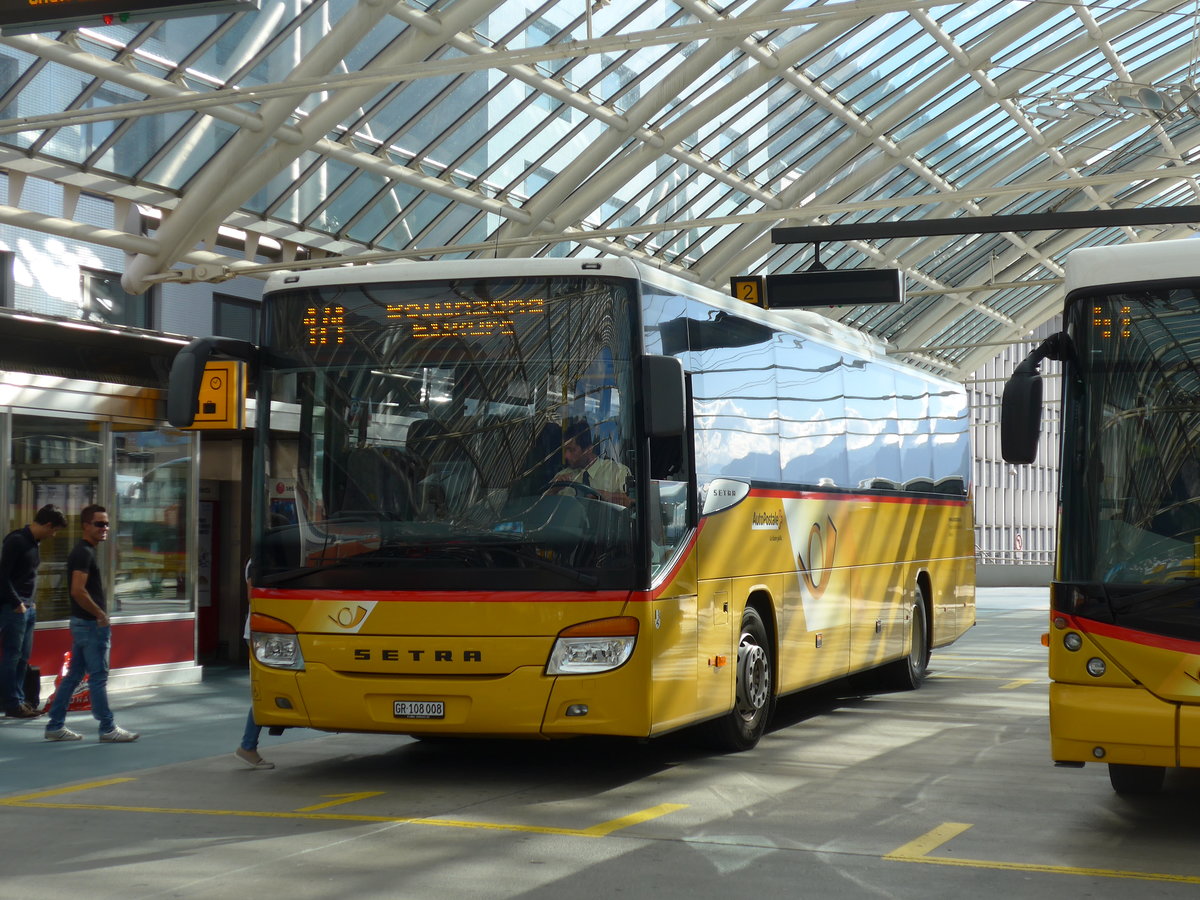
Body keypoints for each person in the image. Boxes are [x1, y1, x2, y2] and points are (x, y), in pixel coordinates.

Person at [43, 505, 139, 743]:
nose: (104, 528)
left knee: (74, 675)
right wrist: (100, 615)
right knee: (97, 677)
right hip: (90, 625)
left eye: (106, 523)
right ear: (86, 525)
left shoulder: (83, 551)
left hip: (83, 624)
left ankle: (55, 725)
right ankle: (107, 727)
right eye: (99, 524)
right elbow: (78, 590)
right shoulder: (83, 553)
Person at [0, 504, 67, 718]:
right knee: (12, 656)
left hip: (27, 607)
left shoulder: (33, 543)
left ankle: (19, 701)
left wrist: (31, 603)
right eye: (54, 530)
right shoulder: (17, 541)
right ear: (47, 525)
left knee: (22, 657)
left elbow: (27, 576)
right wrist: (17, 603)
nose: (53, 535)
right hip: (16, 608)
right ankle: (12, 703)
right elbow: (3, 576)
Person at [235, 560, 274, 769]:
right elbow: (253, 595)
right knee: (262, 691)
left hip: (263, 632)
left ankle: (248, 746)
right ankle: (247, 746)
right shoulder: (257, 561)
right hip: (260, 633)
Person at [548, 419, 633, 507]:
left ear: (588, 449)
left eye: (572, 450)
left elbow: (632, 503)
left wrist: (604, 496)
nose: (566, 456)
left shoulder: (617, 472)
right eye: (565, 450)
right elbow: (543, 508)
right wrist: (553, 490)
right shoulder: (562, 478)